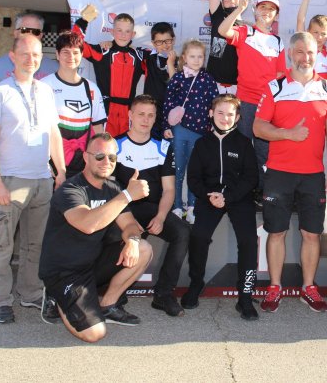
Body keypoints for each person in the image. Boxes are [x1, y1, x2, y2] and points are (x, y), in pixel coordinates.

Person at [0, 33, 66, 324]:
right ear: (13, 57)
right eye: (26, 54)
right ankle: (0, 300)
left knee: (36, 245)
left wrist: (61, 171)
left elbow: (53, 133)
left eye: (37, 55)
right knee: (1, 245)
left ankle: (30, 293)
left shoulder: (46, 91)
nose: (31, 59)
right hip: (9, 181)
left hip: (42, 180)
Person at [254, 32, 327, 313]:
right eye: (300, 52)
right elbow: (258, 127)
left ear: (318, 54)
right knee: (276, 232)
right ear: (290, 54)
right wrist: (288, 134)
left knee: (311, 234)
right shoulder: (275, 87)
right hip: (279, 173)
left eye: (311, 52)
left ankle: (308, 287)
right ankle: (274, 287)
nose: (306, 57)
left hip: (313, 175)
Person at [38, 133, 153, 342]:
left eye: (112, 157)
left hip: (92, 263)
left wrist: (132, 241)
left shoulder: (112, 189)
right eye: (99, 156)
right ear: (86, 157)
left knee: (143, 248)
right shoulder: (71, 189)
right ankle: (57, 297)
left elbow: (130, 225)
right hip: (65, 272)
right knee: (95, 334)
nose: (106, 162)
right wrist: (127, 195)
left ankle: (108, 305)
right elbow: (87, 224)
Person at [182, 95, 260, 320]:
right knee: (199, 236)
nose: (225, 118)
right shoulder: (202, 144)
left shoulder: (244, 143)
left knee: (248, 241)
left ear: (238, 117)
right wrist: (210, 197)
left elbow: (251, 178)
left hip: (238, 198)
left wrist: (229, 197)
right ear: (211, 113)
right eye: (220, 113)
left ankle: (245, 296)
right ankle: (196, 283)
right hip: (210, 198)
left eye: (230, 114)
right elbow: (194, 178)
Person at [113, 95, 190, 317]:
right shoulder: (115, 146)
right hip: (122, 210)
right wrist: (127, 220)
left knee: (183, 232)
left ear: (156, 118)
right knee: (118, 236)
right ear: (130, 115)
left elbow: (169, 190)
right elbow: (108, 191)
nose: (145, 120)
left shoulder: (163, 147)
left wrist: (161, 217)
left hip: (152, 209)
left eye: (151, 115)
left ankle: (163, 294)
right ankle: (114, 293)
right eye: (141, 114)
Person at [218, 0, 286, 193]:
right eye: (263, 7)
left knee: (264, 153)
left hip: (268, 106)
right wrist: (240, 8)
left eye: (271, 9)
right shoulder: (245, 32)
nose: (267, 11)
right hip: (246, 102)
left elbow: (280, 75)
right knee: (242, 149)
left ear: (276, 15)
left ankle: (260, 193)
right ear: (255, 10)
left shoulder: (279, 42)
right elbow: (222, 30)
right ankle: (239, 192)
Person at [162, 39, 218, 222]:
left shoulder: (208, 79)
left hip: (200, 132)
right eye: (192, 56)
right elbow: (168, 103)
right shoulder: (177, 78)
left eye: (200, 57)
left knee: (195, 171)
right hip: (179, 130)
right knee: (178, 170)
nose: (196, 60)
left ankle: (193, 206)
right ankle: (177, 206)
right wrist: (166, 126)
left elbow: (215, 103)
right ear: (184, 58)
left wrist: (213, 127)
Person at [71, 7, 145, 137]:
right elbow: (75, 44)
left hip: (129, 113)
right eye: (119, 30)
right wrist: (83, 20)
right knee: (102, 147)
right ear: (112, 31)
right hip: (104, 111)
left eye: (127, 31)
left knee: (125, 147)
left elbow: (162, 60)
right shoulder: (102, 51)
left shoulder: (140, 56)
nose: (123, 35)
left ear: (133, 34)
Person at [41, 32, 106, 179]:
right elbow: (36, 129)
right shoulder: (44, 85)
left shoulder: (91, 88)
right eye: (65, 52)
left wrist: (99, 159)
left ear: (82, 55)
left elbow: (98, 128)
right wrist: (43, 162)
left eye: (75, 52)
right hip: (52, 161)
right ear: (57, 55)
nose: (71, 57)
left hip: (83, 162)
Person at [205, 0, 243, 94]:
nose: (231, 2)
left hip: (237, 86)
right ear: (221, 1)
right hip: (213, 82)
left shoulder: (247, 28)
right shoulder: (218, 15)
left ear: (242, 2)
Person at [0, 10, 58, 81]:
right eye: (24, 30)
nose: (30, 35)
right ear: (15, 33)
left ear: (41, 36)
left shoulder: (55, 70)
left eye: (35, 31)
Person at [143, 22, 178, 138]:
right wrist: (110, 43)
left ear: (173, 40)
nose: (164, 45)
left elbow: (176, 85)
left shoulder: (181, 62)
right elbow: (126, 48)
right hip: (151, 113)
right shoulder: (148, 57)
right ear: (153, 43)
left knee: (168, 146)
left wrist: (171, 63)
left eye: (167, 41)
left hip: (170, 115)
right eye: (159, 42)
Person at [296, 0, 327, 80]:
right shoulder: (304, 49)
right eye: (315, 32)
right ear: (308, 32)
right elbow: (300, 21)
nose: (319, 37)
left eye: (323, 34)